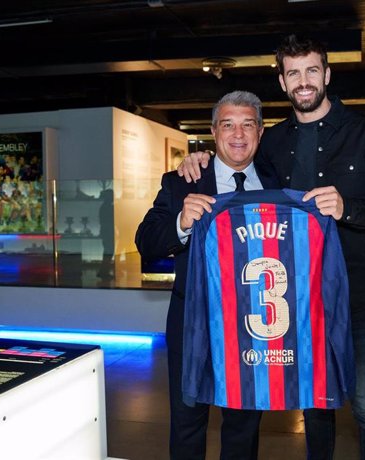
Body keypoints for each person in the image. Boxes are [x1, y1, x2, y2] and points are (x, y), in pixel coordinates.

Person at [178, 35, 365, 460]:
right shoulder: (274, 143)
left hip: (358, 296)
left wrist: (348, 207)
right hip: (299, 301)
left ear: (326, 74)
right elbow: (238, 168)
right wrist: (198, 160)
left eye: (311, 70)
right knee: (315, 405)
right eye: (293, 73)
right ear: (283, 83)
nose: (303, 81)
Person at [136, 90, 279, 460]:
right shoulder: (182, 181)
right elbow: (146, 241)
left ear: (260, 133)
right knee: (187, 422)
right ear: (214, 132)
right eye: (228, 124)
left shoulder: (279, 184)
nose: (238, 134)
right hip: (192, 325)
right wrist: (182, 222)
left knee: (244, 426)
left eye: (248, 125)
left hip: (254, 327)